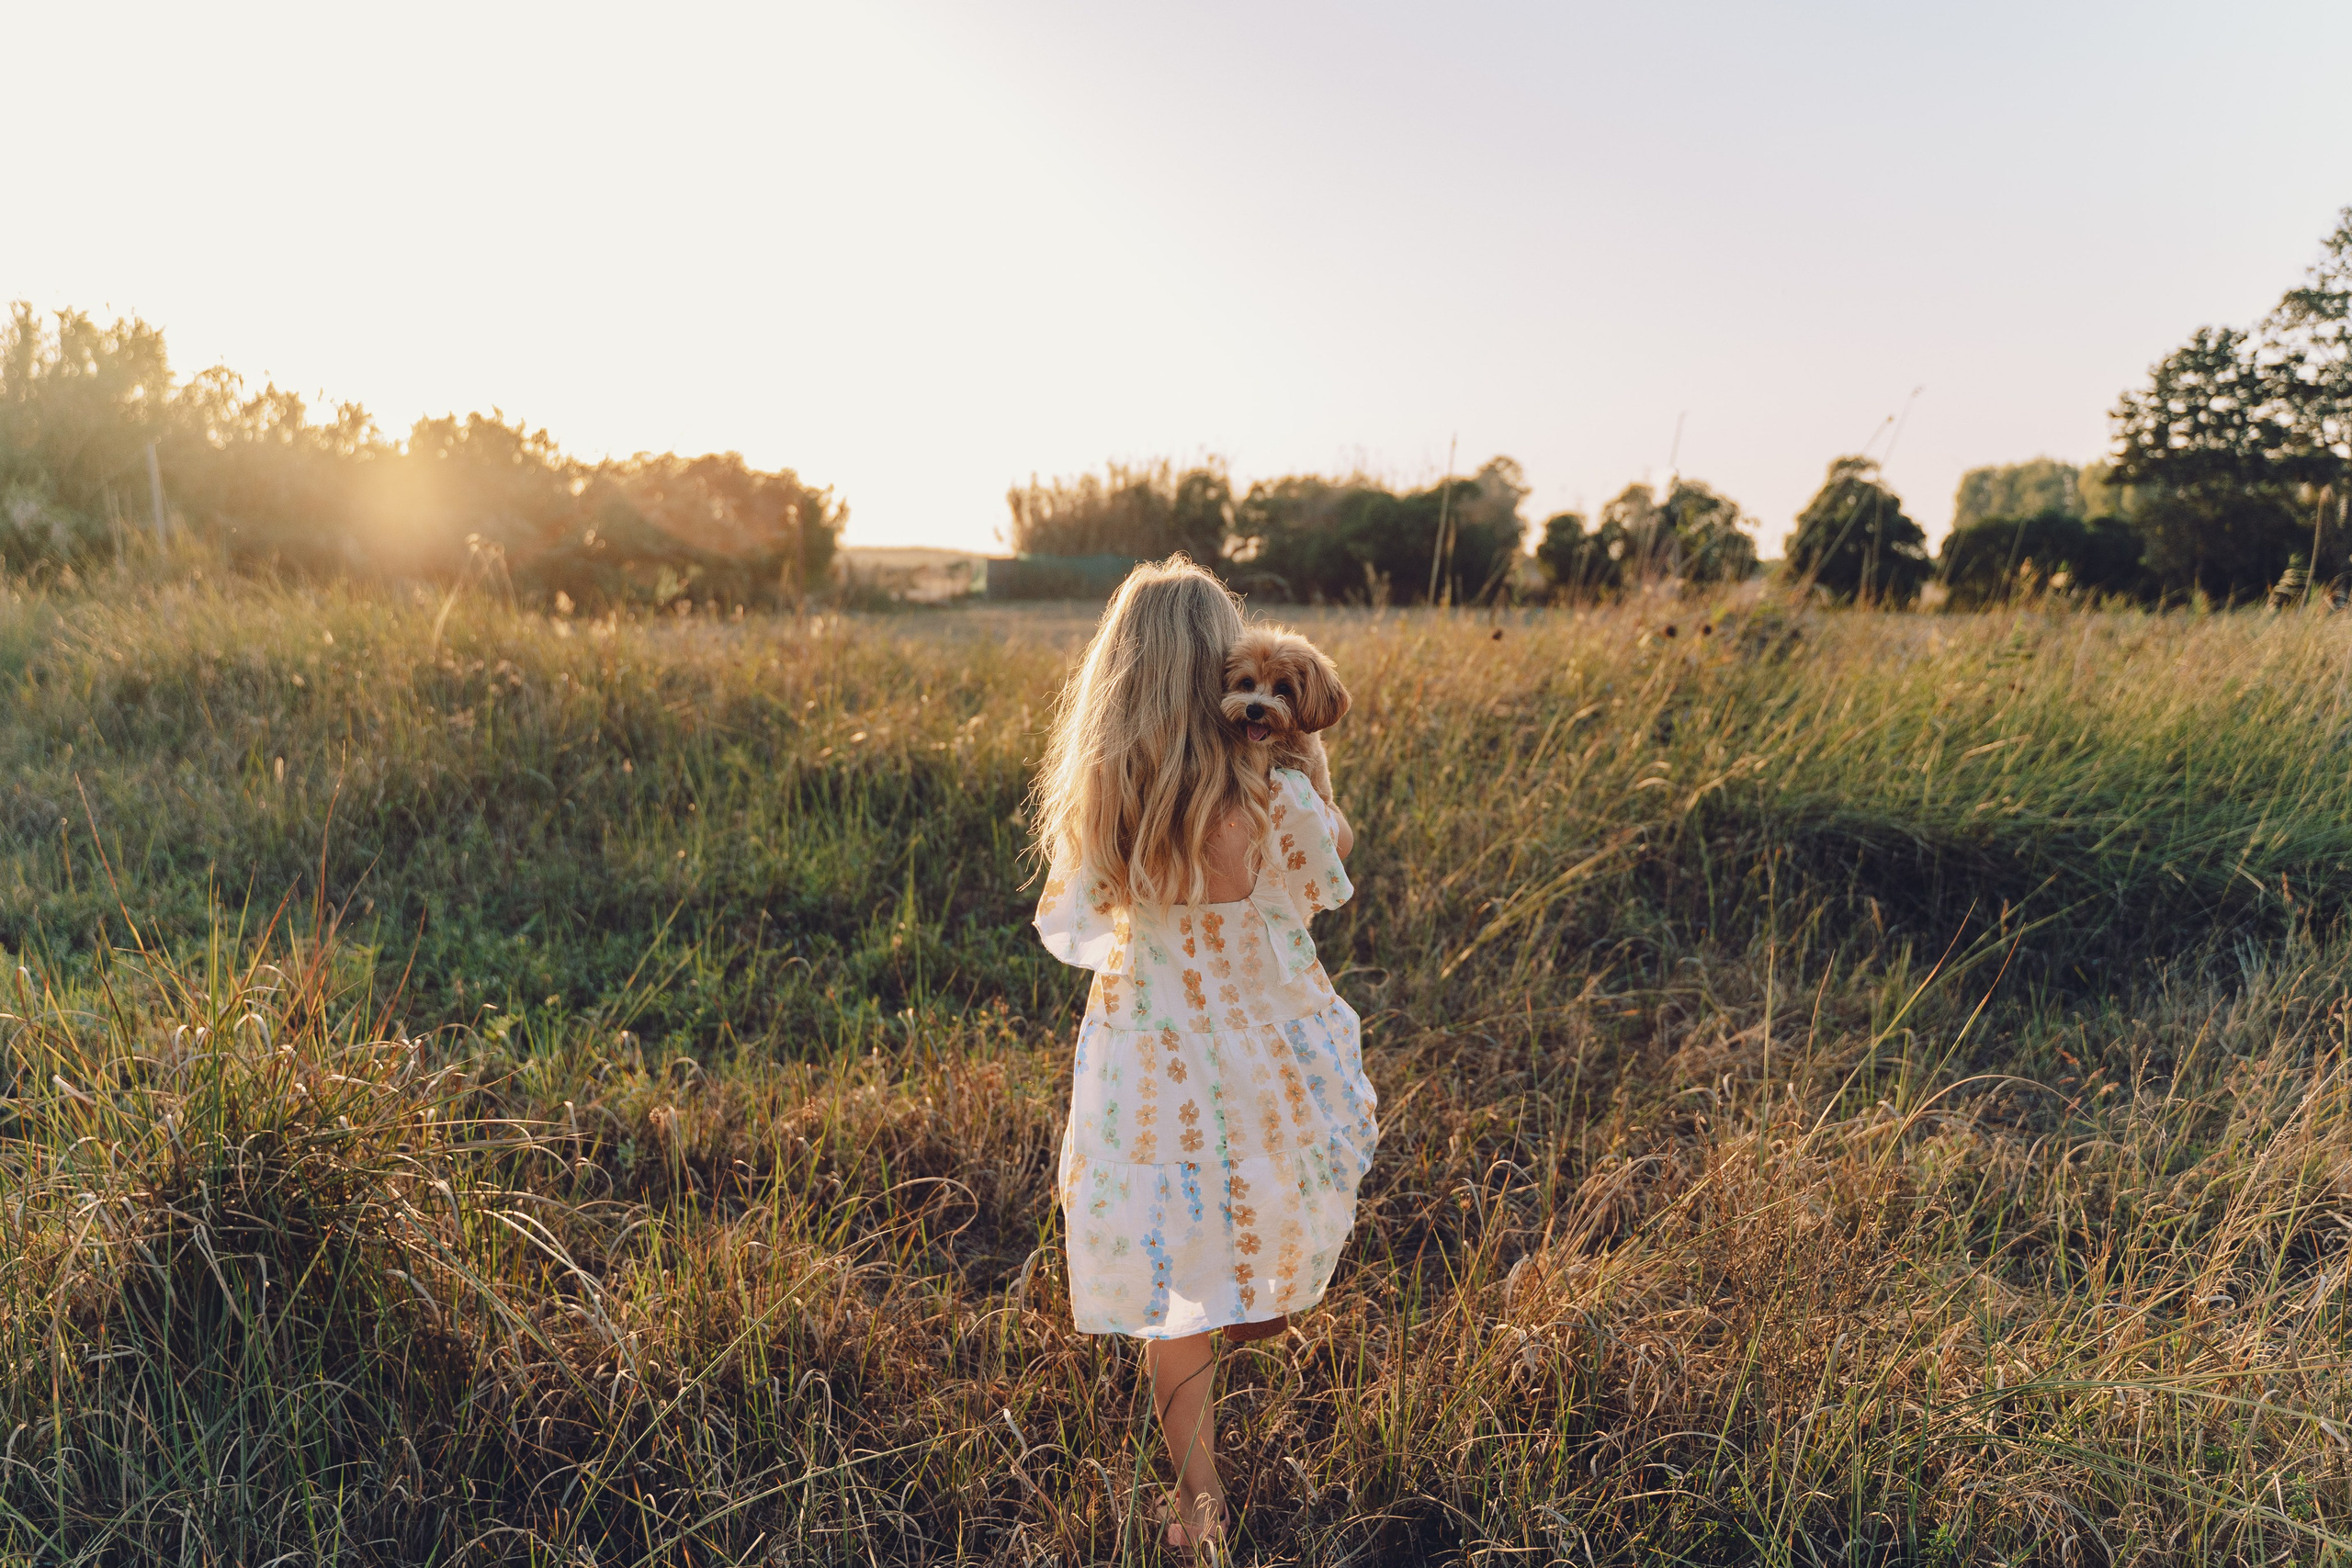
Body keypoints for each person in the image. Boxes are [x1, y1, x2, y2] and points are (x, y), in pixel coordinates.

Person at [1028, 557, 1376, 1555]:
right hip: (1264, 1045)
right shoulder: (1274, 792)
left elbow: (1074, 926)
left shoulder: (1107, 791)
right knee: (1265, 1217)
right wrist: (1312, 785)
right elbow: (1325, 875)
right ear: (1217, 665)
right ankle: (1254, 1313)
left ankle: (1199, 1505)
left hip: (1151, 1064)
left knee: (1175, 1294)